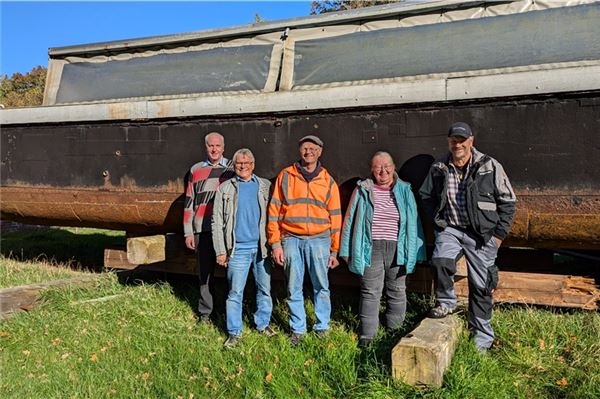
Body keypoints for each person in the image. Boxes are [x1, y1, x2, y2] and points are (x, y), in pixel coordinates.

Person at [419, 122, 516, 351]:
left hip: (482, 234)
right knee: (441, 260)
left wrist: (498, 235)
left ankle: (482, 338)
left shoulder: (490, 166)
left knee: (481, 286)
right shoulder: (439, 167)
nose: (458, 144)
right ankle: (446, 303)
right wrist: (438, 223)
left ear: (471, 141)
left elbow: (509, 202)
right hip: (451, 228)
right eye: (454, 140)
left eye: (462, 140)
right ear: (449, 142)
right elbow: (425, 195)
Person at [340, 151, 426, 347]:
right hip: (370, 246)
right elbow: (349, 219)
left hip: (398, 247)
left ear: (393, 167)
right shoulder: (362, 189)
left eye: (387, 166)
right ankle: (367, 336)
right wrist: (345, 250)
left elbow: (414, 222)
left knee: (397, 290)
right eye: (378, 166)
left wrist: (419, 251)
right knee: (371, 291)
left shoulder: (405, 190)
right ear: (372, 170)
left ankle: (394, 331)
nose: (383, 170)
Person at [268, 135, 342, 345]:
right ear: (299, 151)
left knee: (322, 285)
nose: (308, 152)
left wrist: (334, 250)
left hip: (320, 240)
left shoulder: (328, 181)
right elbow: (274, 211)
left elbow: (335, 217)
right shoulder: (286, 176)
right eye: (304, 148)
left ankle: (322, 327)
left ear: (320, 151)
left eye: (312, 148)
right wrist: (275, 244)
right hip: (291, 239)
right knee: (293, 286)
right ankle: (298, 330)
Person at [212, 148, 275, 348]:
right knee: (235, 292)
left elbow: (274, 216)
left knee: (264, 289)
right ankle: (234, 332)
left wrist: (275, 244)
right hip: (237, 249)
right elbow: (216, 221)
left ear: (253, 165)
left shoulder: (265, 186)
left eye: (246, 163)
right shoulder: (225, 189)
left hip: (261, 248)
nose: (243, 166)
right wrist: (221, 250)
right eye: (239, 163)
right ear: (234, 165)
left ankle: (263, 324)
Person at [183, 132, 234, 323]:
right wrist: (189, 231)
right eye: (211, 146)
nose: (214, 149)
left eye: (218, 146)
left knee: (231, 272)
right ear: (206, 147)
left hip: (225, 230)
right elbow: (189, 202)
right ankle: (206, 313)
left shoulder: (231, 169)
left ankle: (231, 313)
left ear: (223, 147)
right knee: (205, 274)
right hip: (202, 229)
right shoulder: (195, 170)